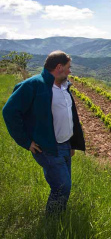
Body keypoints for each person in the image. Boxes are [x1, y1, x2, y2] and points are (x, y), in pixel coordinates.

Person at [2, 50, 85, 215]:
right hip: (47, 147)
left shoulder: (64, 86)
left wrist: (72, 143)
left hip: (65, 145)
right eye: (68, 67)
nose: (70, 71)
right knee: (62, 186)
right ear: (59, 67)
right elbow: (9, 112)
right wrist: (26, 141)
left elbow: (69, 116)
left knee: (63, 184)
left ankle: (58, 216)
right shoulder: (33, 85)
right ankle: (53, 222)